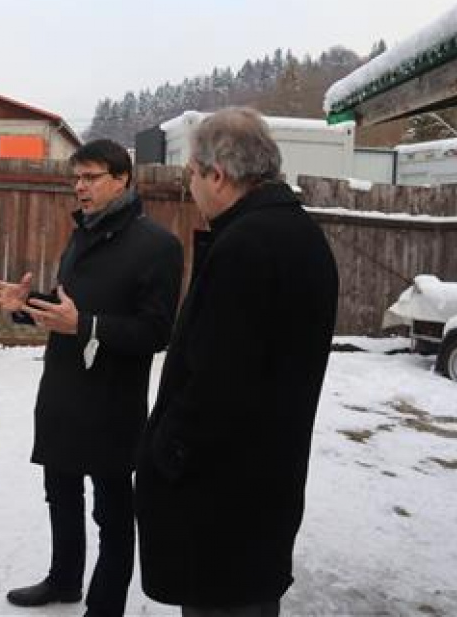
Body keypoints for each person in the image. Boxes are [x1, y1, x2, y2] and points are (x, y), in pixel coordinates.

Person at [135, 107, 339, 617]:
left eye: (192, 178)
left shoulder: (245, 247)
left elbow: (217, 384)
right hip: (267, 492)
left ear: (218, 175)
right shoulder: (304, 237)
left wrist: (167, 453)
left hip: (220, 507)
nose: (192, 191)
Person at [0, 139, 184, 617]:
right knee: (60, 493)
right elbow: (66, 307)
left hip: (113, 403)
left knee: (112, 513)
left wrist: (87, 325)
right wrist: (26, 305)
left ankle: (105, 606)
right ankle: (63, 580)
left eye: (91, 177)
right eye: (76, 178)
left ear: (122, 179)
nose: (80, 187)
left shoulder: (159, 246)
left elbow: (157, 331)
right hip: (63, 391)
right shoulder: (82, 236)